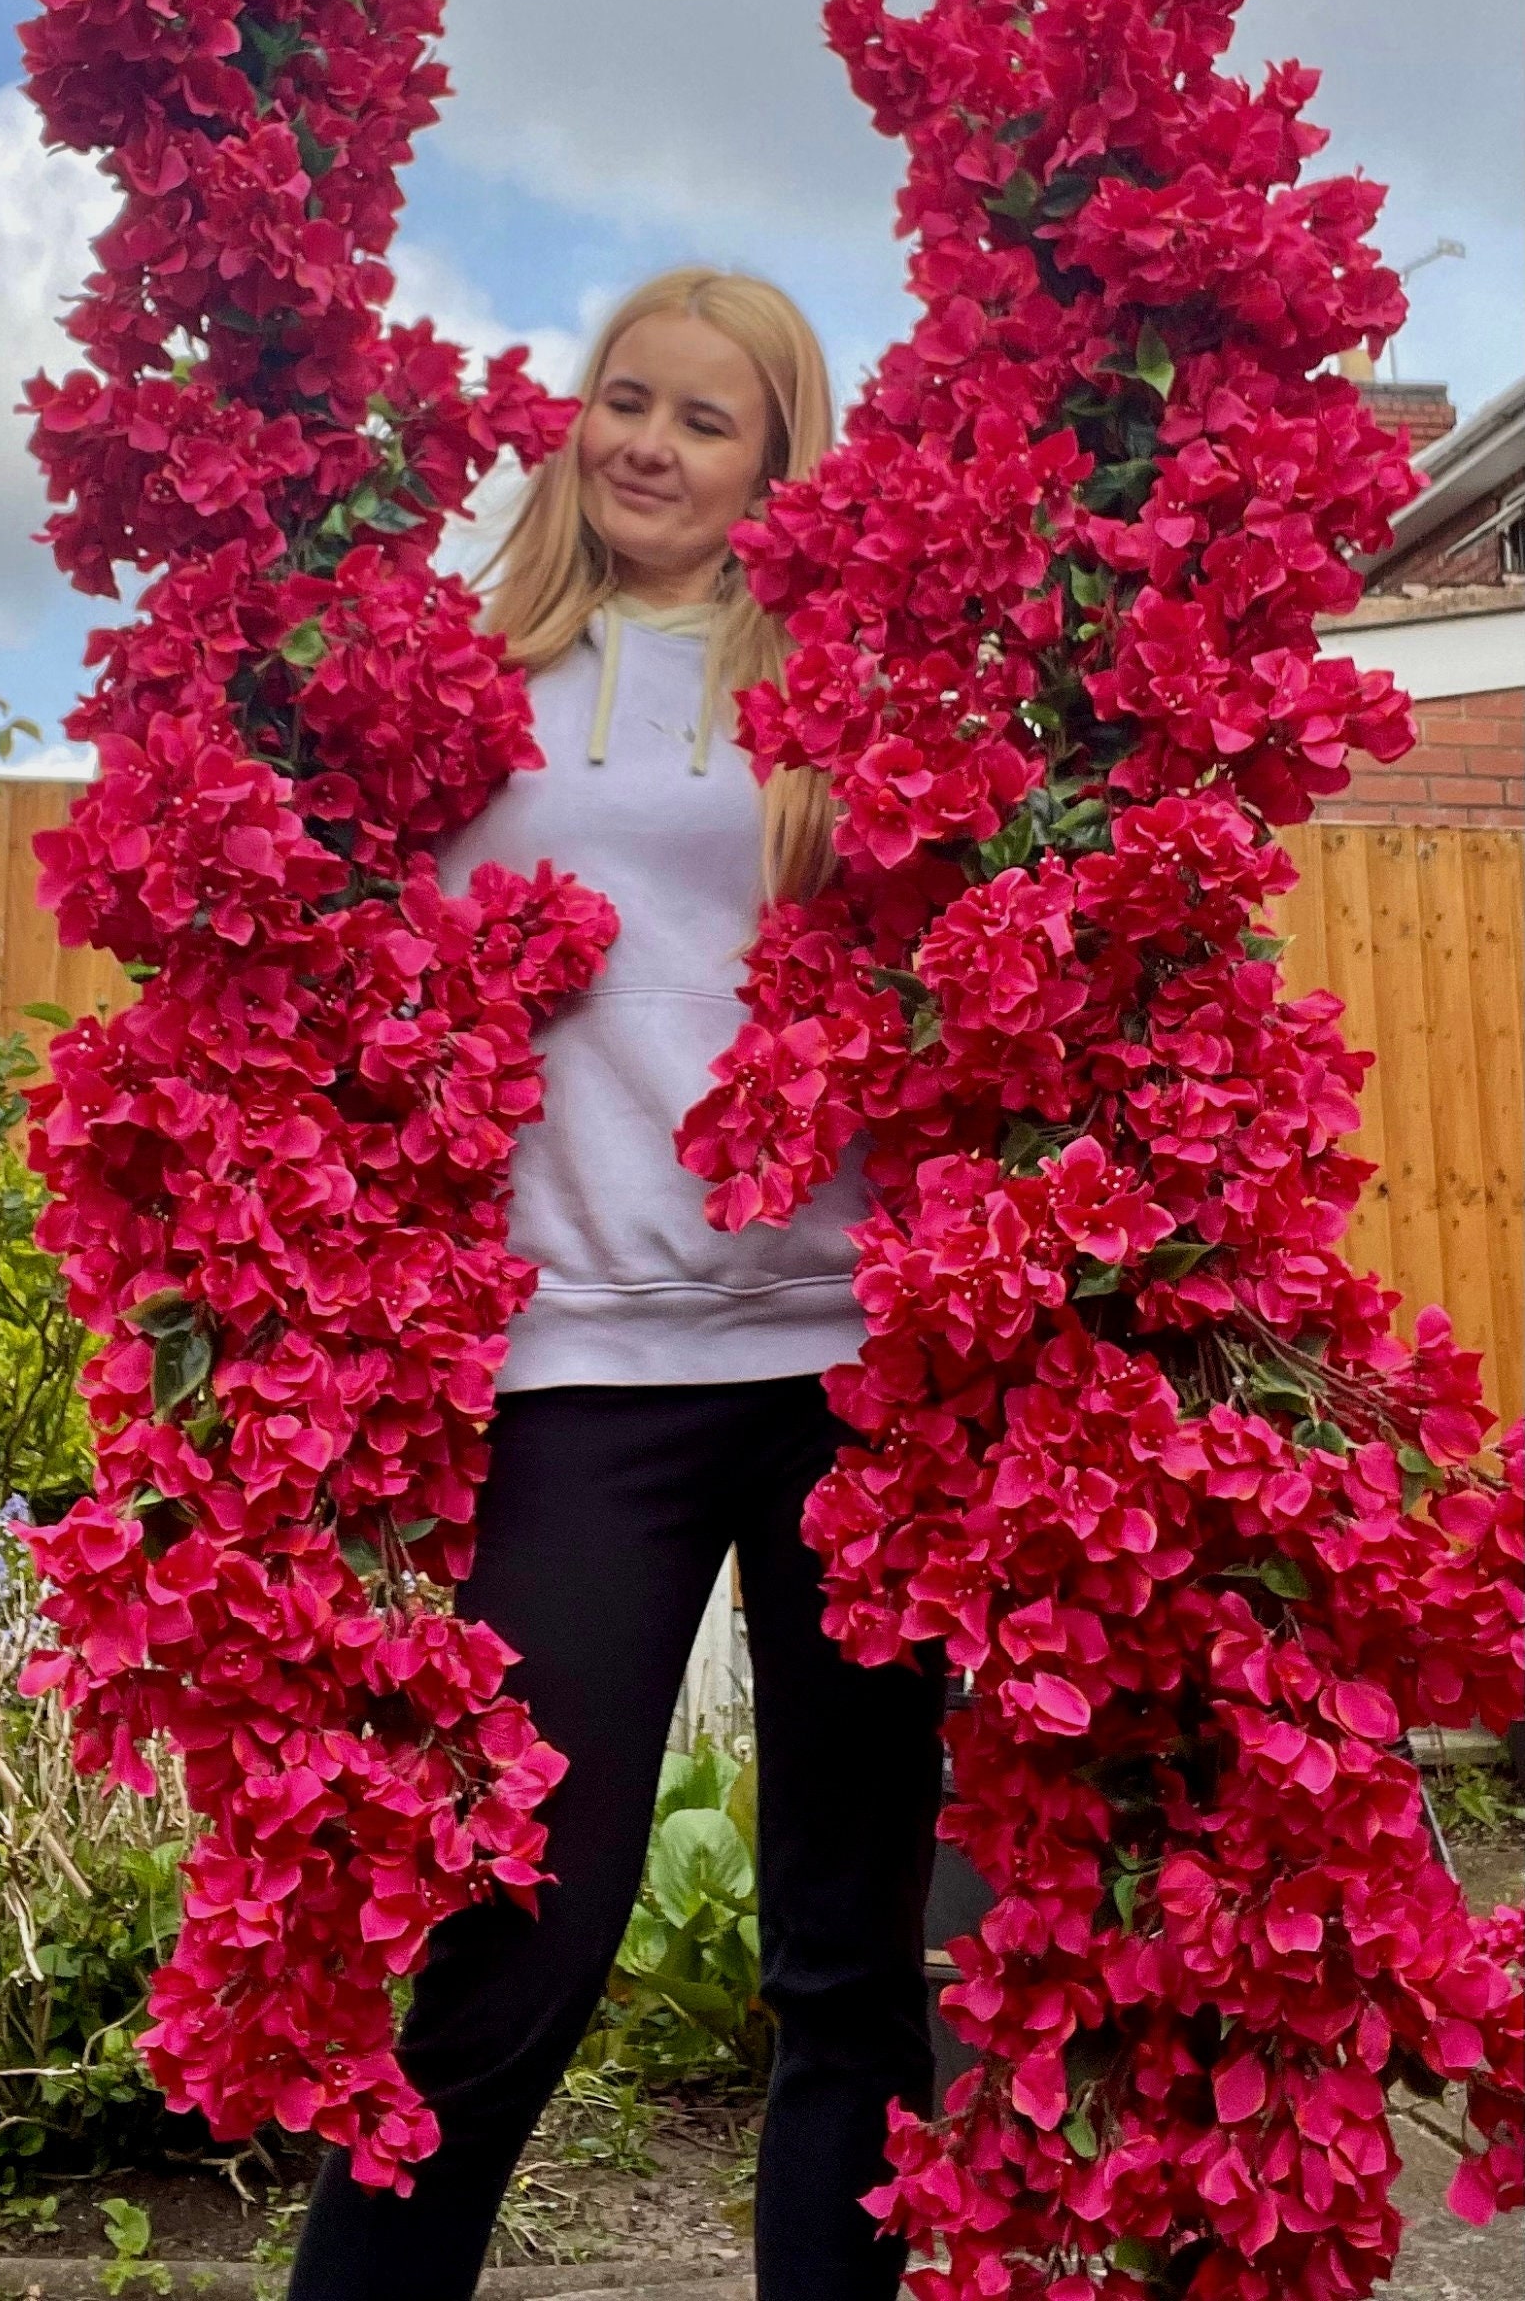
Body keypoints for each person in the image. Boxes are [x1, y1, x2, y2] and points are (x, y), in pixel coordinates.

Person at [289, 269, 943, 2301]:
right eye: (621, 401)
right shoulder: (465, 674)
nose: (645, 442)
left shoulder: (846, 688)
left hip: (848, 1368)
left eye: (705, 418)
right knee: (523, 1931)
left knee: (847, 1963)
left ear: (778, 461)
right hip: (579, 1364)